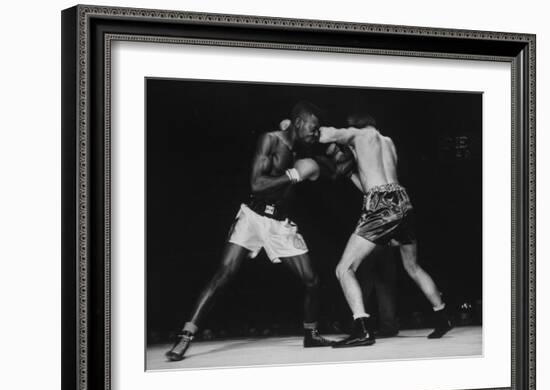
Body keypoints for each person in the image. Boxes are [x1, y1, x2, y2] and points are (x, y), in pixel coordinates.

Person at [166, 102, 334, 362]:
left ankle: (310, 335)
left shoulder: (301, 144)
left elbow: (327, 157)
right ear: (299, 122)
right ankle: (185, 336)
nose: (316, 132)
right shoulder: (269, 140)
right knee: (224, 274)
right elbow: (257, 184)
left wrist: (326, 152)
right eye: (312, 127)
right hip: (253, 217)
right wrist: (293, 175)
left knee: (312, 280)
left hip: (279, 224)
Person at [318, 113, 453, 347]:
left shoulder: (357, 134)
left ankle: (362, 329)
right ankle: (442, 316)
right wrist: (350, 172)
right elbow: (374, 182)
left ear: (354, 125)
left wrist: (292, 125)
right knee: (412, 266)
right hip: (403, 201)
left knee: (344, 268)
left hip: (381, 205)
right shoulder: (388, 142)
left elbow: (323, 134)